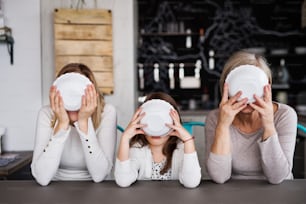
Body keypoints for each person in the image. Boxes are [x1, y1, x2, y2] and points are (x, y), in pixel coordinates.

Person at [205, 50, 297, 184]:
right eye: (239, 87)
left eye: (254, 87)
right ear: (226, 87)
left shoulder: (285, 115)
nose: (247, 98)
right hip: (233, 192)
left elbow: (278, 177)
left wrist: (269, 125)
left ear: (267, 86)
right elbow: (219, 177)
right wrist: (223, 126)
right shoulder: (215, 117)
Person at [31, 63, 117, 186]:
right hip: (53, 188)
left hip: (95, 189)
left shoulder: (107, 113)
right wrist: (62, 124)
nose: (73, 102)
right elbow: (42, 177)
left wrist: (83, 122)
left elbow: (99, 175)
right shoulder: (46, 114)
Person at [114, 92, 201, 188]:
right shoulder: (138, 148)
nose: (156, 129)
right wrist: (125, 138)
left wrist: (188, 141)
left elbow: (191, 182)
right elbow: (123, 181)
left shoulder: (182, 149)